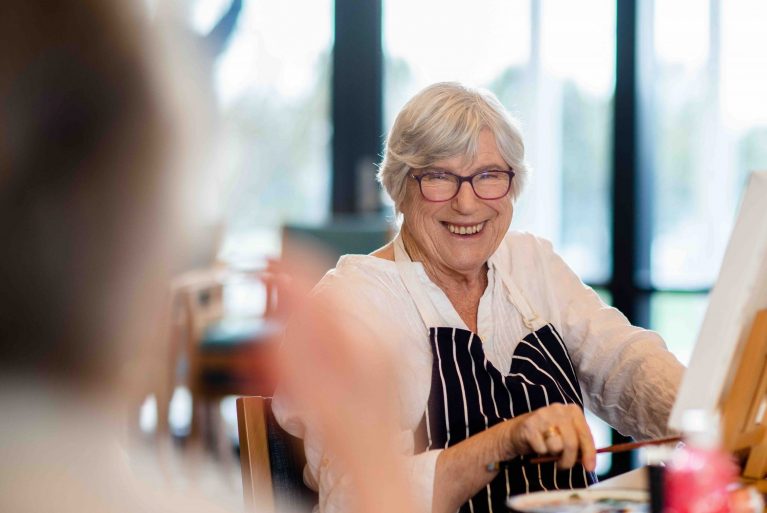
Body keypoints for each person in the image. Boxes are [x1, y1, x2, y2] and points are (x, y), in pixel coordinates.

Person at [273, 82, 685, 513]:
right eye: (439, 177)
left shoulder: (530, 262)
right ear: (399, 187)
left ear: (513, 185)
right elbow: (354, 498)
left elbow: (624, 361)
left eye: (489, 176)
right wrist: (505, 440)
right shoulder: (351, 305)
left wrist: (708, 418)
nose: (467, 204)